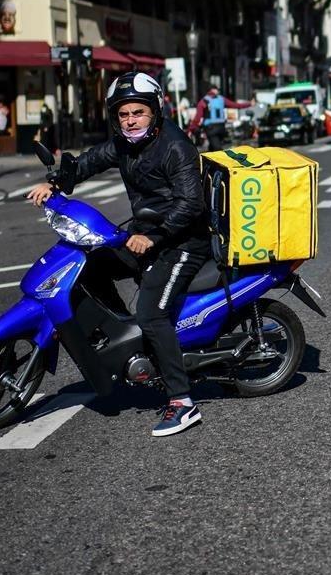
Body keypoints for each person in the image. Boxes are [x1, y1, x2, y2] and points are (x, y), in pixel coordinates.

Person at [26, 72, 209, 437]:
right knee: (90, 268)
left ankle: (182, 401)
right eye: (123, 114)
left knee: (152, 313)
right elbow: (90, 161)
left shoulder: (176, 147)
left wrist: (153, 236)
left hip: (183, 242)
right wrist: (56, 183)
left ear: (155, 111)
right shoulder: (125, 144)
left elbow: (191, 203)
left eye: (138, 112)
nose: (130, 120)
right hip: (146, 233)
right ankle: (124, 344)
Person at [189, 85, 251, 152]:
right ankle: (210, 161)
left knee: (217, 149)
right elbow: (236, 105)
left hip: (210, 128)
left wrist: (191, 128)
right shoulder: (221, 99)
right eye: (217, 90)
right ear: (215, 90)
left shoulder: (203, 101)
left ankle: (217, 161)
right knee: (213, 147)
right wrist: (249, 104)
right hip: (221, 127)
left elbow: (197, 118)